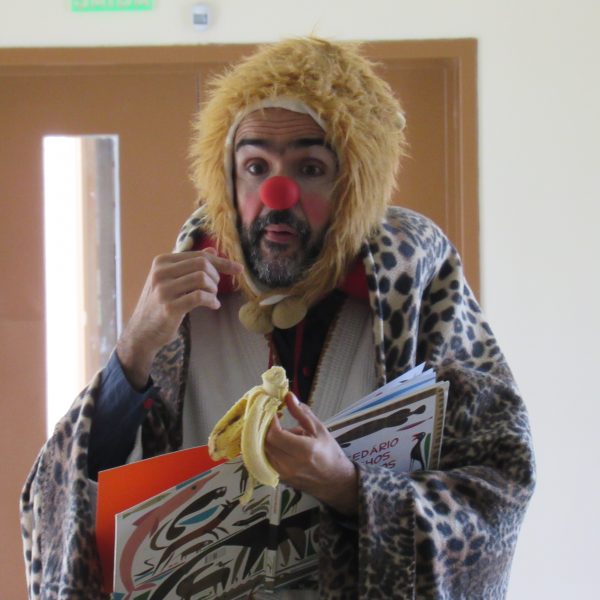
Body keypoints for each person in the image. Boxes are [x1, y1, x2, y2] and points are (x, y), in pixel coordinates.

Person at [20, 37, 535, 599]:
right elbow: (57, 496)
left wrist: (350, 488)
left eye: (309, 168)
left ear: (353, 185)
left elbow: (497, 496)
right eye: (255, 166)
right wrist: (134, 351)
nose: (277, 193)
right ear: (227, 180)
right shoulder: (186, 303)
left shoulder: (414, 287)